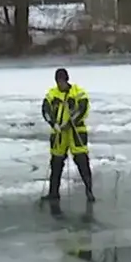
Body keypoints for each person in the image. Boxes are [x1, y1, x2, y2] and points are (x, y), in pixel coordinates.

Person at [41, 67, 94, 204]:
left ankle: (89, 191)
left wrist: (70, 122)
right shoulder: (52, 94)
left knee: (82, 161)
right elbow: (46, 109)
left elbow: (83, 107)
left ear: (66, 80)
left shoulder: (78, 92)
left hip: (76, 132)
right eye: (58, 81)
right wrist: (53, 123)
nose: (60, 84)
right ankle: (53, 193)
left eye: (62, 81)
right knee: (56, 162)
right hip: (59, 134)